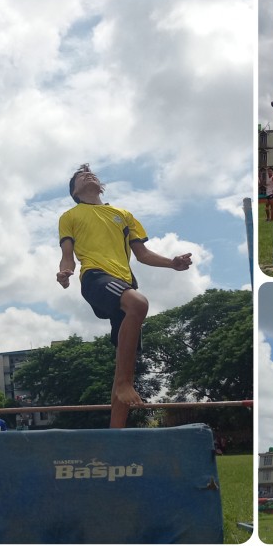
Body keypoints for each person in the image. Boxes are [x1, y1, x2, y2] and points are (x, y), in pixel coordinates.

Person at [57, 164, 192, 428]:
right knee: (138, 303)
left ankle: (114, 437)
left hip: (124, 281)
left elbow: (143, 255)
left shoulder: (123, 214)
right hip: (95, 278)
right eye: (81, 176)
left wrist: (172, 263)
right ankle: (124, 383)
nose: (89, 175)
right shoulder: (70, 216)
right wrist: (65, 273)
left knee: (124, 362)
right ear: (74, 191)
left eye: (92, 173)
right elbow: (67, 256)